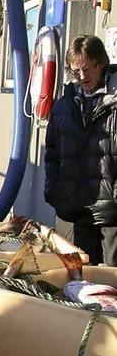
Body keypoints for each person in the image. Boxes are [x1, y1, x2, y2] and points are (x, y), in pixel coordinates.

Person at [44, 34, 117, 266]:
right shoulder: (64, 105)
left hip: (112, 212)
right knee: (82, 278)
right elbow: (52, 152)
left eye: (87, 69)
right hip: (78, 208)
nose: (82, 77)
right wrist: (53, 190)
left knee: (112, 280)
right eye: (76, 71)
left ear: (102, 63)